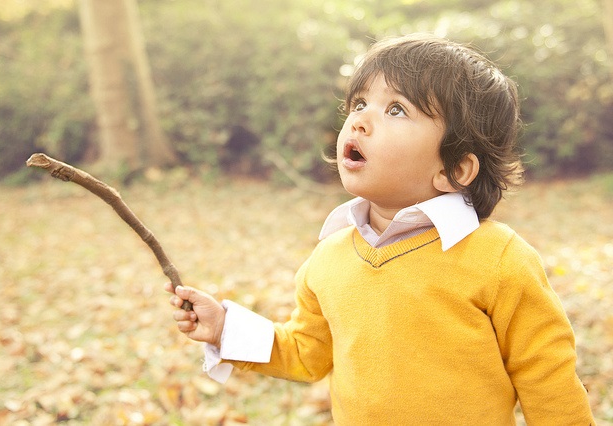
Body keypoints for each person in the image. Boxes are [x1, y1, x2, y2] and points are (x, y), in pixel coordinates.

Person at [166, 33, 594, 424]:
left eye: (395, 109)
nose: (360, 121)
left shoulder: (497, 260)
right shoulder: (330, 257)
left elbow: (546, 376)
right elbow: (305, 352)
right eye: (358, 104)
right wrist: (226, 328)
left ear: (455, 168)